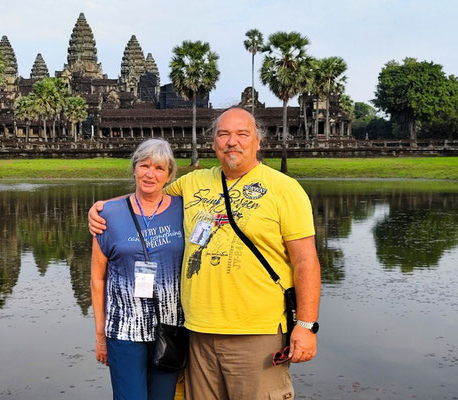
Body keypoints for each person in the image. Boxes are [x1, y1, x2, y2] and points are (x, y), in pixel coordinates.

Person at [90, 107, 321, 400]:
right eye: (223, 134)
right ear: (213, 143)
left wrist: (306, 325)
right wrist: (104, 208)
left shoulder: (284, 189)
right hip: (197, 333)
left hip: (257, 333)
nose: (232, 141)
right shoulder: (194, 182)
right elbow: (149, 193)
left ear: (259, 142)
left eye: (242, 134)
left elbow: (306, 261)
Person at [91, 138, 185, 400]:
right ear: (134, 168)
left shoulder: (184, 209)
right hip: (124, 329)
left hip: (169, 328)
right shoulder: (107, 214)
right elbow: (97, 279)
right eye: (144, 166)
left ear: (169, 175)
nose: (150, 174)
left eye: (158, 168)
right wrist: (100, 335)